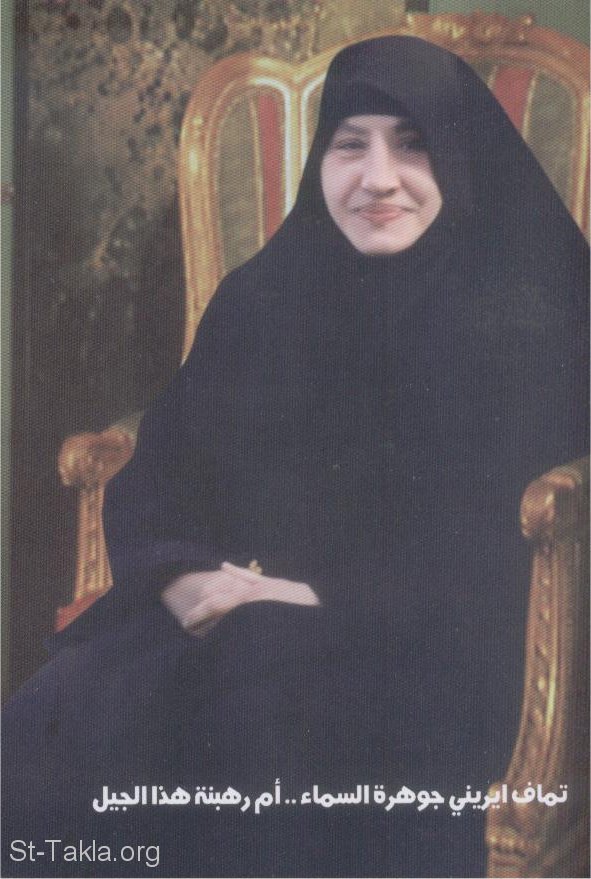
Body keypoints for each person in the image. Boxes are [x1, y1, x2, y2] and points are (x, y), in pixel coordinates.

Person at [3, 36, 588, 878]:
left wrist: (297, 596)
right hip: (233, 625)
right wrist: (183, 577)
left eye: (411, 144)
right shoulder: (263, 296)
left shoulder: (530, 314)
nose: (377, 178)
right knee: (53, 726)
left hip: (428, 666)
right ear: (320, 161)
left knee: (265, 746)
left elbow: (504, 559)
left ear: (457, 156)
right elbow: (164, 472)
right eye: (350, 144)